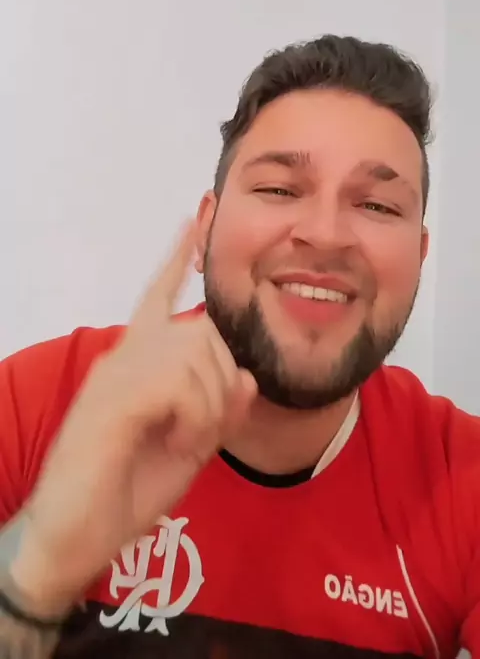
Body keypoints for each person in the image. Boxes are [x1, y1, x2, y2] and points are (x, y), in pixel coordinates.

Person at [0, 35, 478, 659]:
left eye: (376, 204)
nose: (325, 234)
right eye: (280, 189)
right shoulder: (35, 402)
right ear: (206, 229)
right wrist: (41, 565)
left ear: (418, 258)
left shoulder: (461, 476)